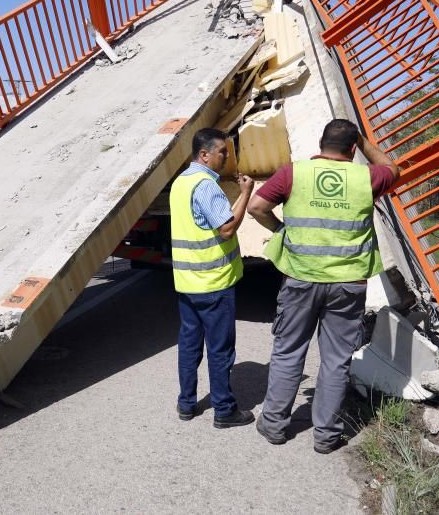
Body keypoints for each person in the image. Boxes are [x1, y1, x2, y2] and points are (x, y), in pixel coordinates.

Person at [248, 119, 399, 453]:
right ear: (352, 148)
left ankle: (274, 425)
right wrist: (364, 141)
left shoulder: (293, 173)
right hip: (348, 285)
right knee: (336, 361)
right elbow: (392, 167)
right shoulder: (367, 178)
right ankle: (326, 435)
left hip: (300, 279)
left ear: (320, 143)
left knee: (288, 352)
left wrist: (280, 231)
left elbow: (256, 207)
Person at [170, 128, 256, 428]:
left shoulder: (181, 183)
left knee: (190, 345)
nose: (226, 158)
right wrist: (245, 194)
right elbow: (227, 229)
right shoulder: (206, 186)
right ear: (204, 154)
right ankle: (224, 410)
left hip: (188, 281)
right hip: (213, 283)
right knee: (220, 349)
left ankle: (186, 404)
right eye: (223, 152)